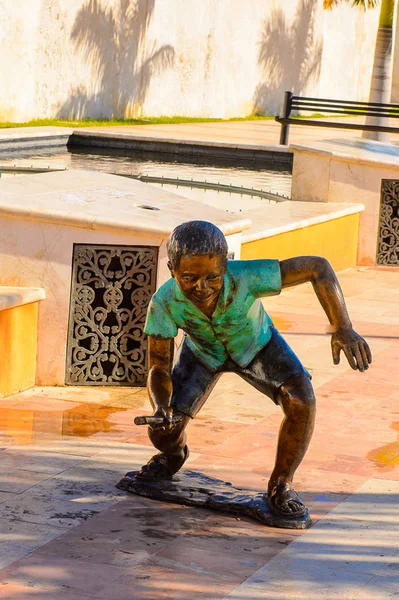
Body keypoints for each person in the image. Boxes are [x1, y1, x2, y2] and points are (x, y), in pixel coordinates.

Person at [136, 220, 371, 519]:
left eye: (213, 277)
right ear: (171, 269)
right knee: (162, 431)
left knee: (302, 400)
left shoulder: (248, 276)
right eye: (189, 277)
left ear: (228, 263)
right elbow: (158, 365)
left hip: (258, 346)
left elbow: (318, 267)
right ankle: (172, 456)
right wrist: (161, 405)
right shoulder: (164, 301)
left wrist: (344, 327)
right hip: (202, 355)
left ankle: (281, 484)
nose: (202, 287)